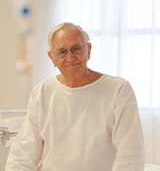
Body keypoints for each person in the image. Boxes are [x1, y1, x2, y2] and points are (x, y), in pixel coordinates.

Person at [5, 22, 145, 171]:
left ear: (88, 50)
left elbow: (130, 156)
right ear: (52, 57)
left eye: (76, 49)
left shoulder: (119, 90)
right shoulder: (42, 91)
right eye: (62, 52)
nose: (70, 57)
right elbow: (23, 154)